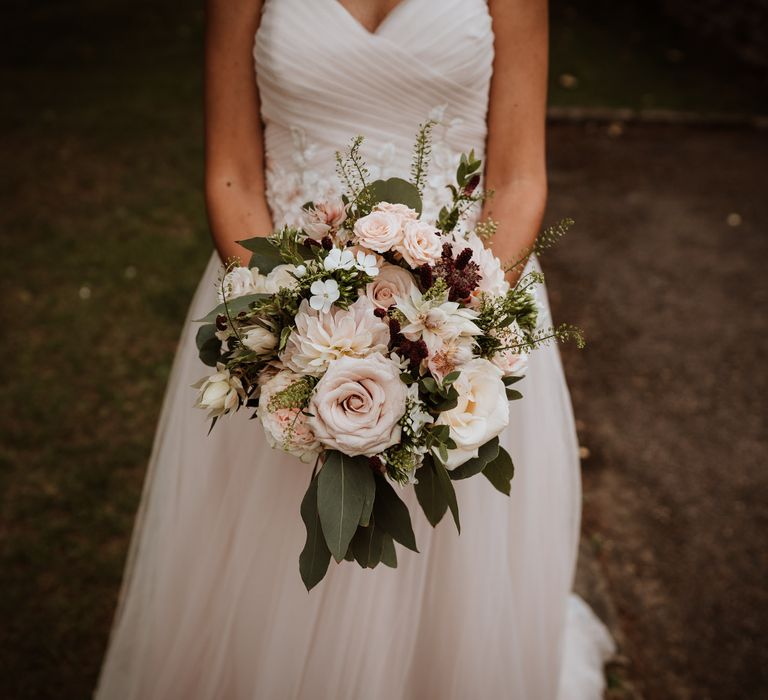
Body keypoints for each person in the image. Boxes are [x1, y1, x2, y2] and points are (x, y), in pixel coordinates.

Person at [96, 1, 614, 697]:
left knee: (455, 564)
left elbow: (519, 179)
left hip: (463, 313)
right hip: (283, 307)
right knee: (270, 559)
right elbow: (233, 175)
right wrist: (288, 330)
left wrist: (453, 330)